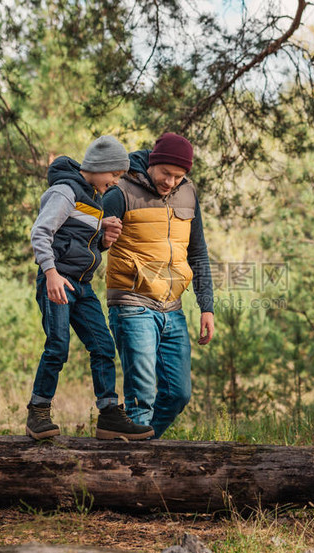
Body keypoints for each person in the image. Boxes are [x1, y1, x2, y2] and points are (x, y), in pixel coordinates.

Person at [27, 135, 154, 441]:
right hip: (57, 282)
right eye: (114, 175)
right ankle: (38, 412)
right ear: (100, 166)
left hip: (82, 286)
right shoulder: (65, 191)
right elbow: (41, 233)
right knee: (57, 346)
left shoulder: (93, 198)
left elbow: (79, 242)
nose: (116, 181)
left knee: (103, 346)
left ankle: (109, 415)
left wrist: (103, 240)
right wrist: (52, 273)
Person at [103, 132, 215, 439]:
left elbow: (198, 252)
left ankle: (137, 449)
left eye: (178, 176)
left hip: (173, 308)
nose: (170, 182)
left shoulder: (189, 193)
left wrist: (207, 307)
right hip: (131, 303)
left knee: (178, 394)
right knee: (142, 398)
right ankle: (136, 471)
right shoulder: (122, 190)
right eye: (166, 173)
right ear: (153, 163)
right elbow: (89, 232)